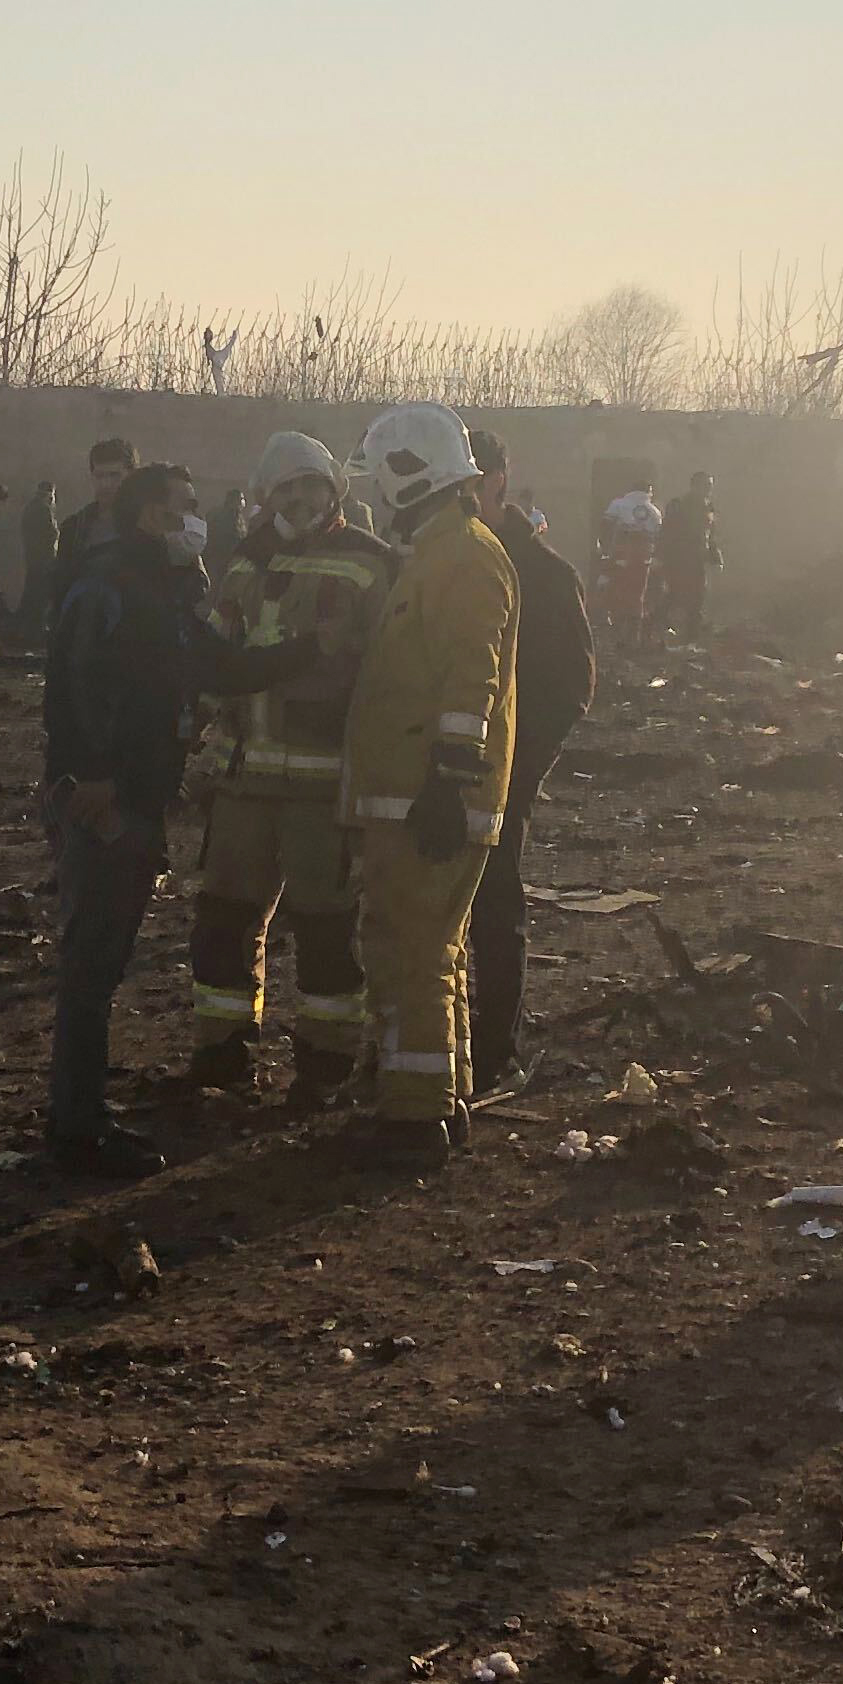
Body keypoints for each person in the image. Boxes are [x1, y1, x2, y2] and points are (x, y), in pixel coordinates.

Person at [40, 460, 315, 1176]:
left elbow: (217, 665)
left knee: (104, 954)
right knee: (92, 961)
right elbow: (71, 684)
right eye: (186, 508)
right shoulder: (109, 586)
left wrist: (308, 651)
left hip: (138, 792)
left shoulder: (168, 588)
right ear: (152, 517)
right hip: (109, 799)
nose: (200, 520)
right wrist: (90, 776)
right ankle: (77, 1125)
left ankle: (81, 1111)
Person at [184, 431, 397, 1108]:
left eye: (313, 486)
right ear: (263, 498)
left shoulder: (369, 565)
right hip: (244, 783)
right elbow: (213, 650)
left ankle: (325, 1066)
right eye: (287, 488)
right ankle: (222, 1050)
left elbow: (385, 672)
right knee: (224, 919)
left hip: (321, 788)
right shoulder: (246, 563)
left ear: (336, 492)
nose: (302, 499)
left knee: (326, 929)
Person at [343, 403, 521, 1167]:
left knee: (410, 949)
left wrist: (450, 781)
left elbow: (468, 672)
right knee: (431, 949)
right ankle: (443, 1100)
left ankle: (413, 1120)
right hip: (418, 793)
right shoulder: (438, 552)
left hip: (429, 797)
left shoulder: (463, 557)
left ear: (406, 472)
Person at [467, 429, 597, 1088]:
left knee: (492, 904)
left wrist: (515, 773)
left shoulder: (544, 576)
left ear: (496, 484)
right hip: (432, 770)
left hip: (501, 775)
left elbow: (571, 687)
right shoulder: (437, 562)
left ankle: (494, 1050)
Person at [46, 436, 139, 628]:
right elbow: (61, 588)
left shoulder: (147, 525)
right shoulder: (75, 528)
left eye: (115, 476)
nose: (106, 484)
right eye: (99, 476)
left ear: (131, 477)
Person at [598, 479, 662, 648]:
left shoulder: (618, 505)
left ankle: (616, 632)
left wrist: (604, 551)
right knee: (636, 597)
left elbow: (605, 528)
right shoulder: (654, 511)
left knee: (615, 591)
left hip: (620, 555)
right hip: (643, 560)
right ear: (649, 490)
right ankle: (634, 637)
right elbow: (658, 538)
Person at [662, 473, 720, 640]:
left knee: (698, 594)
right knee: (674, 592)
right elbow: (667, 531)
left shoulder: (709, 507)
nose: (709, 490)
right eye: (706, 485)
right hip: (679, 557)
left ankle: (692, 634)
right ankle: (658, 626)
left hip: (698, 558)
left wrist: (715, 555)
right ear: (695, 486)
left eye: (710, 486)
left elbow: (710, 534)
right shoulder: (679, 505)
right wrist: (663, 555)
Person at [13, 478, 63, 632]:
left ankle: (25, 625)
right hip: (44, 558)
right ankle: (36, 627)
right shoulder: (44, 508)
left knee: (32, 589)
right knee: (40, 592)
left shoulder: (30, 508)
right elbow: (52, 533)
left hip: (32, 556)